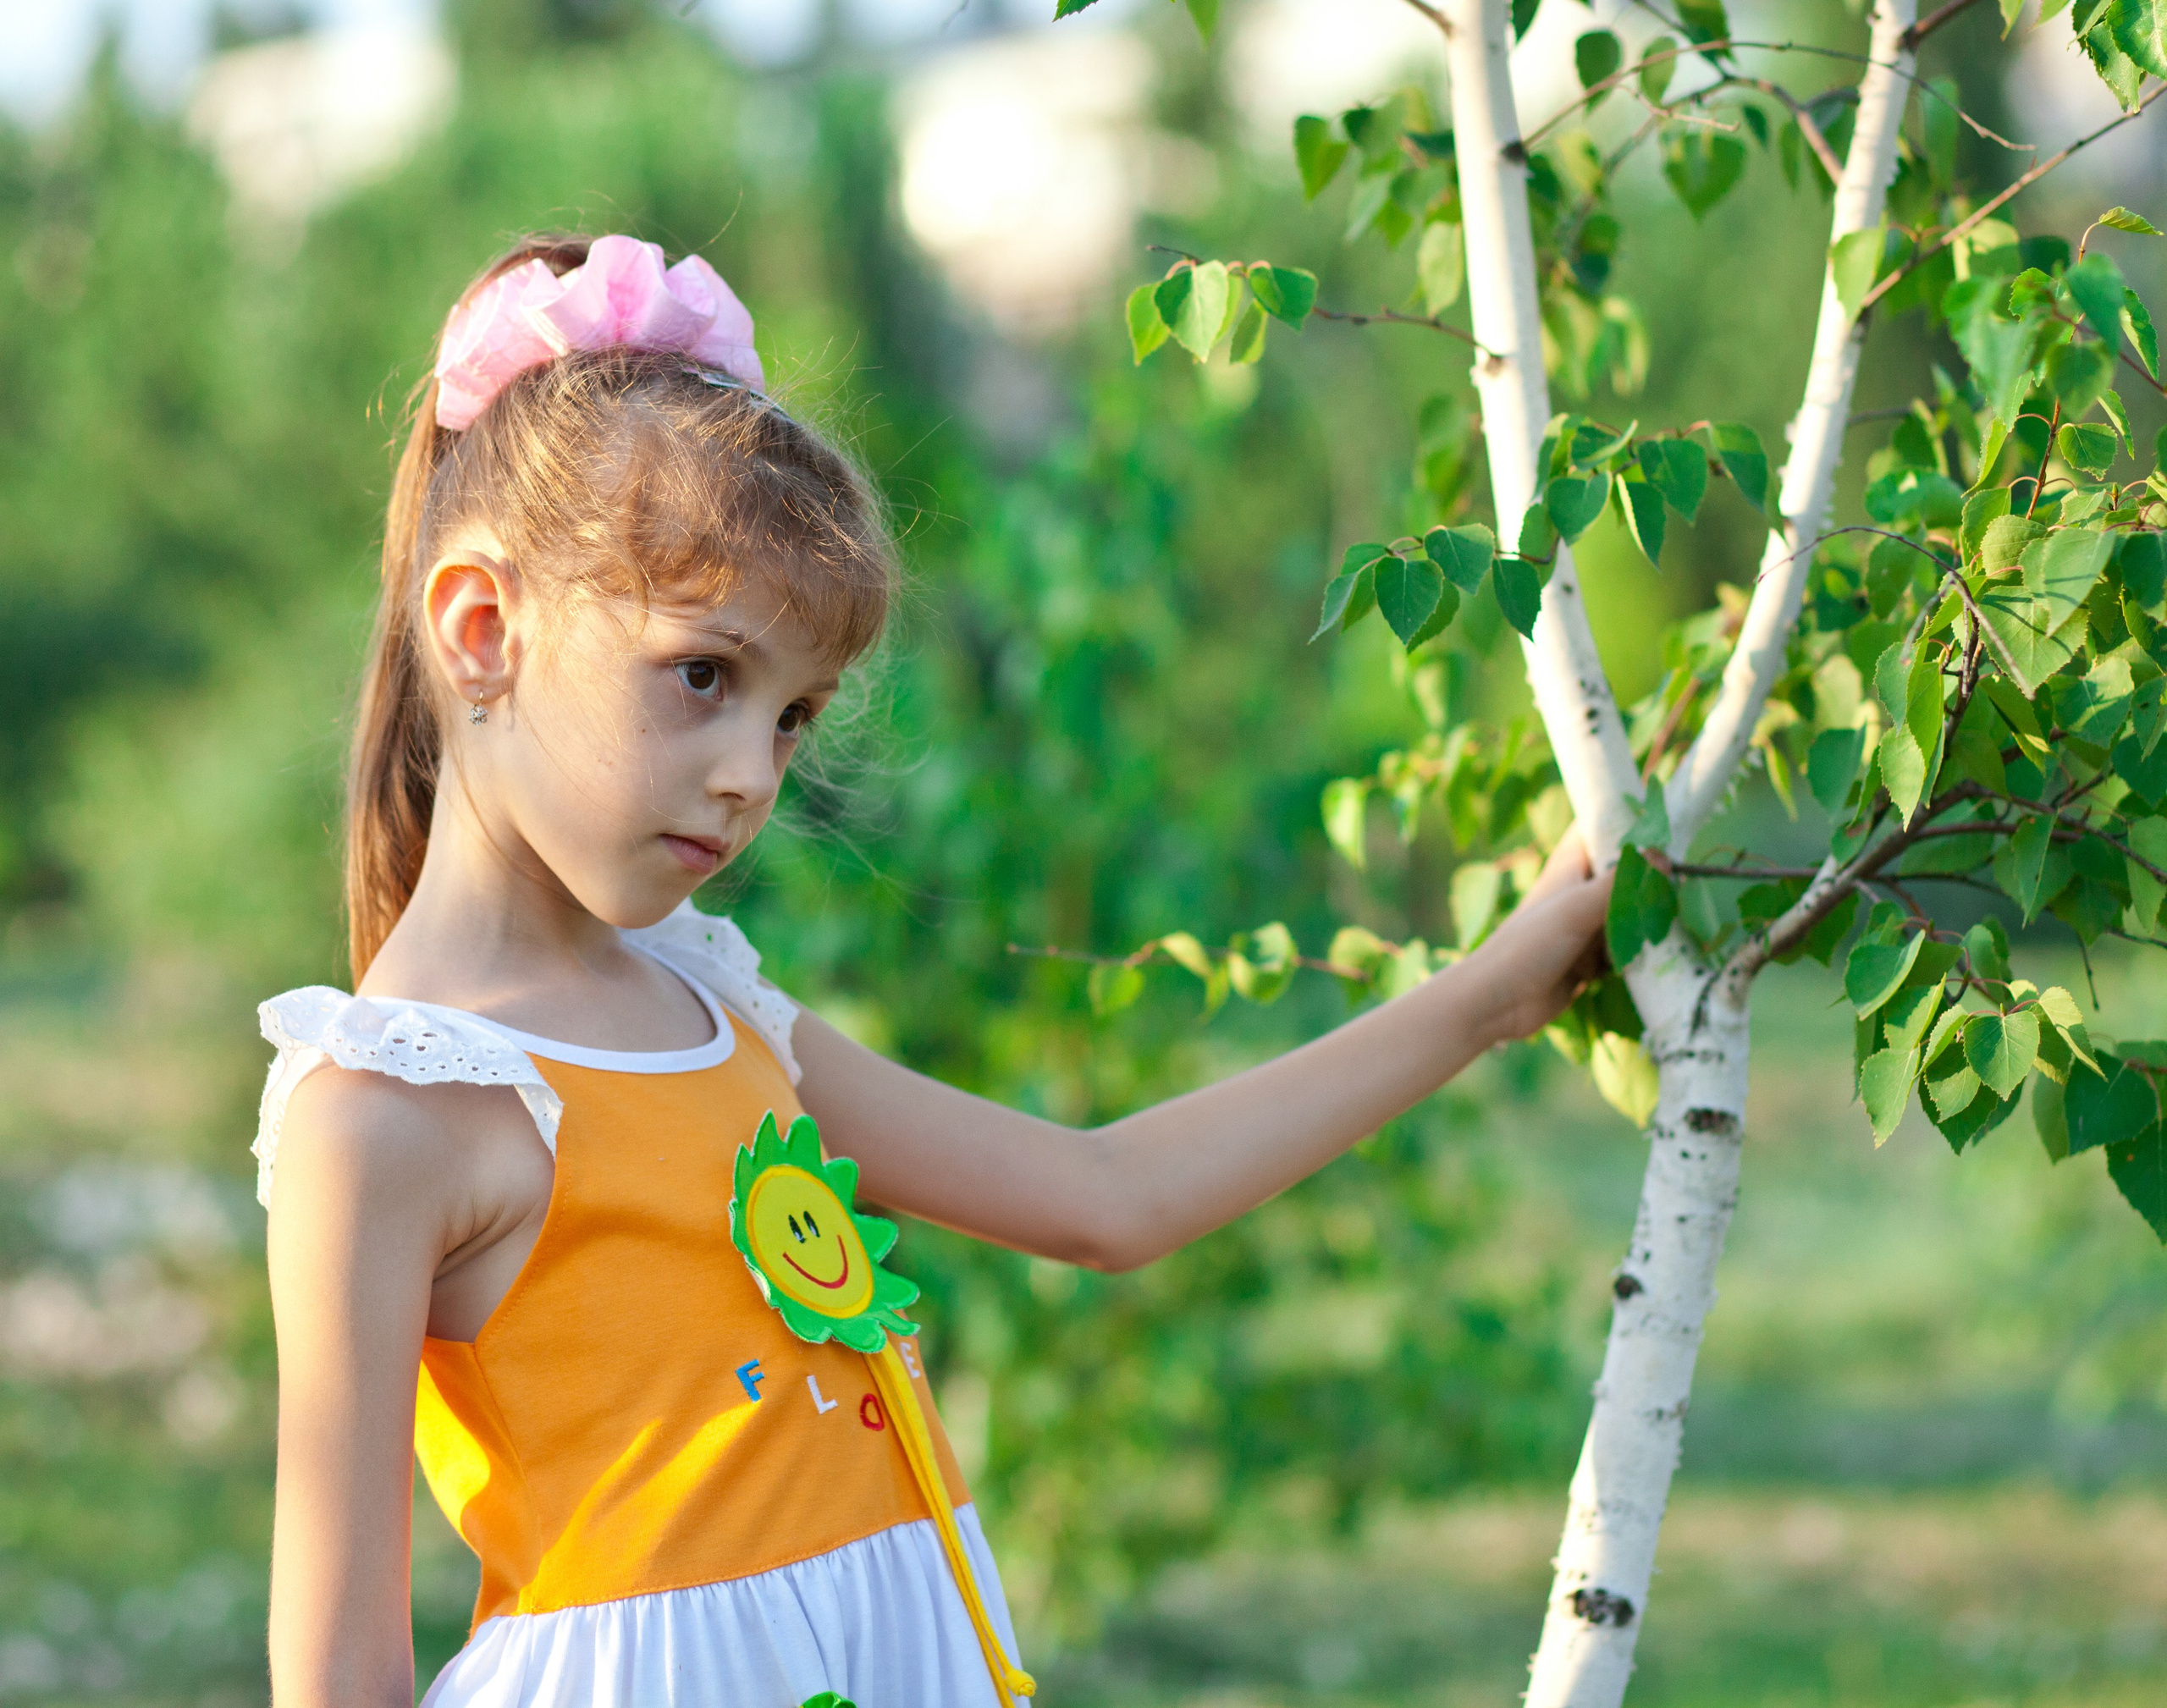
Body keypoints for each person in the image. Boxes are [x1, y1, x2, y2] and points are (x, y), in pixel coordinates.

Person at [254, 232, 1613, 1708]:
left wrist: (1494, 992)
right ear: (481, 627)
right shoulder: (380, 1110)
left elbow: (1108, 1197)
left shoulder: (721, 1015)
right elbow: (336, 1680)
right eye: (704, 673)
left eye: (791, 715)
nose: (746, 775)